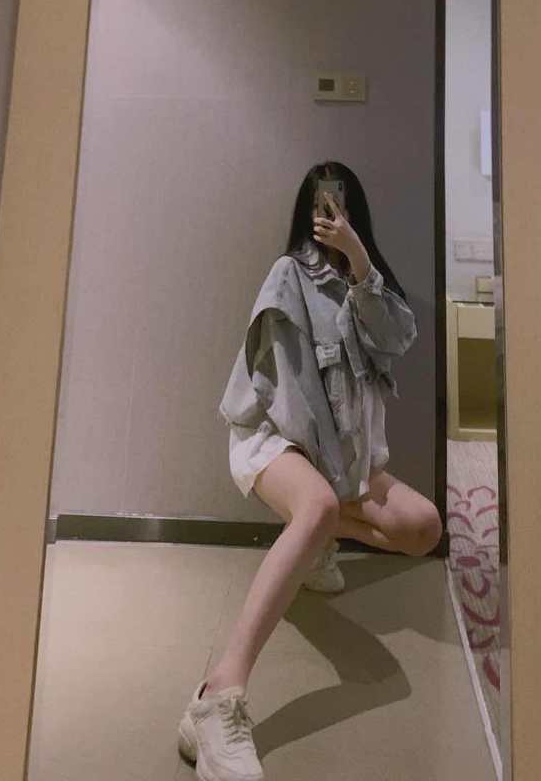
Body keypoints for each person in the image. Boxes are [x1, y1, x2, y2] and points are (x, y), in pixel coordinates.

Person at [177, 161, 442, 781]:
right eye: (323, 204)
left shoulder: (367, 282)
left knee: (424, 527)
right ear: (309, 209)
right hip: (274, 437)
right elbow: (293, 396)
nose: (332, 213)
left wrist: (361, 262)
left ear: (354, 211)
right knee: (318, 504)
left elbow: (399, 338)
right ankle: (218, 696)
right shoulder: (287, 275)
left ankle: (314, 540)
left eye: (341, 204)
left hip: (343, 458)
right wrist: (329, 488)